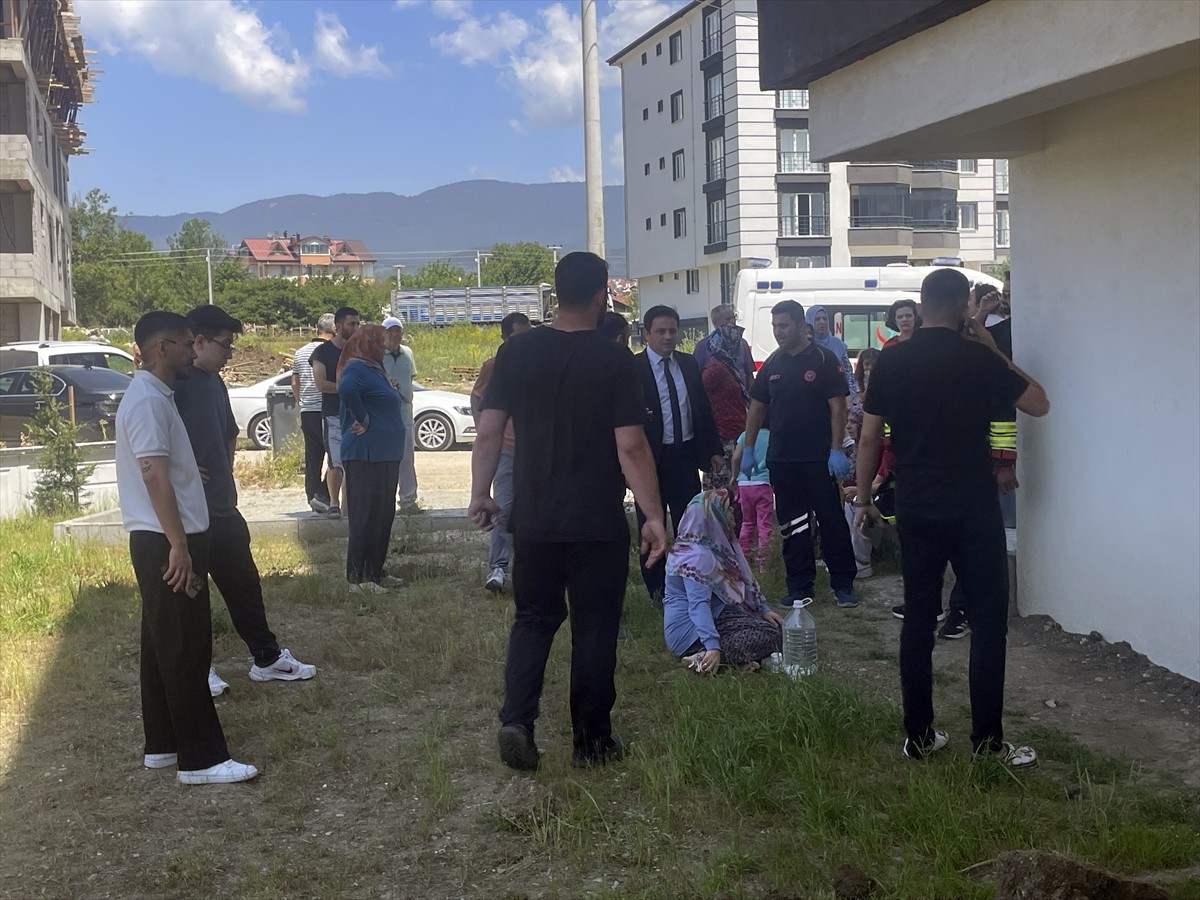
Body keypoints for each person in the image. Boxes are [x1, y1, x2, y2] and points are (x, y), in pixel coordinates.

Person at [469, 251, 666, 771]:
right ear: (602, 296)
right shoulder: (615, 361)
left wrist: (481, 491)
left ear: (557, 292)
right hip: (596, 522)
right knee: (595, 627)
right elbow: (631, 448)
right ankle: (592, 742)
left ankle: (517, 720)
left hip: (534, 517)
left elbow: (489, 430)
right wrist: (653, 516)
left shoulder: (516, 353)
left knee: (533, 619)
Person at [853, 268, 1049, 767]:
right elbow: (1037, 403)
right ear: (964, 305)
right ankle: (987, 742)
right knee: (987, 622)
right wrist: (993, 347)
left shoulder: (892, 362)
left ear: (919, 308)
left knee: (918, 618)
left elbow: (871, 437)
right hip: (972, 503)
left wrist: (863, 500)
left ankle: (918, 736)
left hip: (917, 501)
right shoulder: (978, 358)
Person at [116, 311, 257, 785]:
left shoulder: (154, 395)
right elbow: (152, 472)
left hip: (163, 538)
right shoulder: (148, 400)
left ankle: (163, 745)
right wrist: (179, 544)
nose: (192, 353)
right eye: (184, 345)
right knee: (187, 650)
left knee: (161, 646)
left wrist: (182, 471)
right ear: (161, 348)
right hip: (167, 542)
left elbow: (159, 464)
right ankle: (201, 759)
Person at [176, 305, 318, 697]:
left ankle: (267, 659)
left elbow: (229, 434)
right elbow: (156, 443)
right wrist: (183, 469)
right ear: (199, 342)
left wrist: (224, 472)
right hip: (190, 512)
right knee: (193, 593)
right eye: (225, 346)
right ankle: (198, 667)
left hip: (223, 506)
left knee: (244, 585)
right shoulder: (178, 383)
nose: (229, 355)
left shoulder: (214, 383)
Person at [741, 299, 858, 609]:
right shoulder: (773, 364)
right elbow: (757, 407)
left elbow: (838, 407)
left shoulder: (823, 358)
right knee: (793, 525)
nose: (779, 332)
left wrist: (836, 450)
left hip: (819, 458)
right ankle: (799, 587)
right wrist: (749, 447)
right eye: (775, 326)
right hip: (783, 459)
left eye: (784, 326)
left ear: (800, 326)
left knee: (831, 520)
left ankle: (843, 584)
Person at [636, 305, 724, 599]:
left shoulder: (687, 364)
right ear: (646, 333)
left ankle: (692, 582)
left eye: (673, 330)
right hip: (649, 460)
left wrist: (712, 449)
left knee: (691, 522)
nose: (668, 337)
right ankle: (658, 590)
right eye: (660, 331)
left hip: (684, 455)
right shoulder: (635, 369)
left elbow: (701, 409)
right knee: (651, 522)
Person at [663, 490, 785, 671]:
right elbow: (698, 605)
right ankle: (703, 658)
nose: (732, 515)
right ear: (713, 516)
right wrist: (712, 645)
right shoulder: (696, 557)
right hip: (691, 634)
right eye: (727, 510)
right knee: (771, 634)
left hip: (714, 618)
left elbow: (739, 582)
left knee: (779, 630)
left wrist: (763, 610)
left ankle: (727, 662)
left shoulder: (705, 546)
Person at [337, 324, 406, 594]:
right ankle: (357, 578)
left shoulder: (375, 368)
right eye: (379, 340)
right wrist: (362, 418)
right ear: (367, 343)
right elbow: (346, 390)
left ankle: (375, 571)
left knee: (383, 514)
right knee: (365, 514)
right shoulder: (356, 367)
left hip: (386, 453)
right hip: (366, 453)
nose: (382, 344)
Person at [470, 311, 532, 592]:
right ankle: (498, 568)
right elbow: (477, 397)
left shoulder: (539, 363)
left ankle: (530, 569)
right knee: (504, 507)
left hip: (536, 451)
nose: (524, 341)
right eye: (519, 336)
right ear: (505, 337)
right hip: (507, 449)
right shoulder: (494, 366)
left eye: (527, 335)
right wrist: (485, 429)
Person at [309, 306, 360, 519]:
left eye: (358, 324)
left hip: (356, 414)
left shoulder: (358, 351)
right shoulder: (322, 353)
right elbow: (321, 384)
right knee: (336, 461)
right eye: (351, 324)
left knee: (354, 463)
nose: (356, 328)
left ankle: (351, 506)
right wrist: (346, 388)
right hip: (332, 414)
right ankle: (333, 503)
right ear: (338, 327)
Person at [698, 321, 750, 492]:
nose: (742, 347)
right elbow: (699, 398)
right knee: (724, 492)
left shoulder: (728, 366)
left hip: (734, 435)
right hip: (723, 439)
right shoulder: (715, 369)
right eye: (738, 342)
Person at [292, 313, 334, 514]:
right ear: (334, 328)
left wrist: (301, 400)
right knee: (336, 455)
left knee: (313, 456)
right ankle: (323, 493)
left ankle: (312, 497)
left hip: (307, 410)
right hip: (326, 408)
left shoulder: (299, 353)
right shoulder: (329, 351)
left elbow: (294, 381)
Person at [381, 315, 418, 509]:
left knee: (407, 459)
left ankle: (408, 499)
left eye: (398, 331)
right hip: (384, 417)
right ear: (383, 334)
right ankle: (385, 499)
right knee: (386, 460)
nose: (394, 335)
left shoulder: (407, 353)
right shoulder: (377, 355)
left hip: (405, 415)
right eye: (390, 331)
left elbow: (411, 378)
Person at [731, 425, 773, 570]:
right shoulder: (771, 435)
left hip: (745, 484)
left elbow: (736, 457)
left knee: (747, 523)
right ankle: (764, 562)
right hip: (763, 483)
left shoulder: (745, 434)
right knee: (764, 525)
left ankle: (744, 560)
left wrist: (734, 476)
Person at [692, 304, 756, 391]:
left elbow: (749, 376)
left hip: (742, 401)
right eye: (728, 319)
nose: (733, 321)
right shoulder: (703, 346)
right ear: (716, 323)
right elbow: (695, 378)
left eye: (734, 318)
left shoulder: (743, 344)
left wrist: (751, 400)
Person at [805, 305, 858, 404]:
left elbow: (848, 374)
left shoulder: (838, 344)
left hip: (837, 399)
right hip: (811, 400)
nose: (822, 322)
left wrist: (852, 398)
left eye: (825, 319)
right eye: (817, 319)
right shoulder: (805, 345)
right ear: (809, 321)